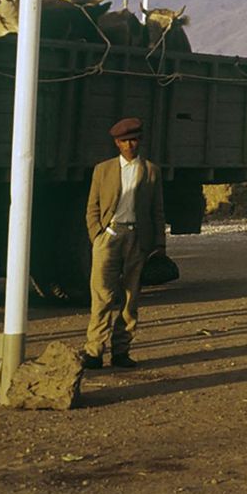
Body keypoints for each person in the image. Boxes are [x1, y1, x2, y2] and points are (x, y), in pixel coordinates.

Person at [82, 116, 166, 370]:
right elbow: (92, 206)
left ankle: (121, 351)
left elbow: (157, 210)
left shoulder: (151, 171)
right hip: (109, 236)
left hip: (137, 238)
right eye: (124, 141)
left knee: (131, 297)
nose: (129, 145)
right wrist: (97, 235)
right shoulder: (103, 170)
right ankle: (94, 351)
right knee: (102, 295)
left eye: (134, 140)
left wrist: (159, 244)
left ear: (140, 141)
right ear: (117, 143)